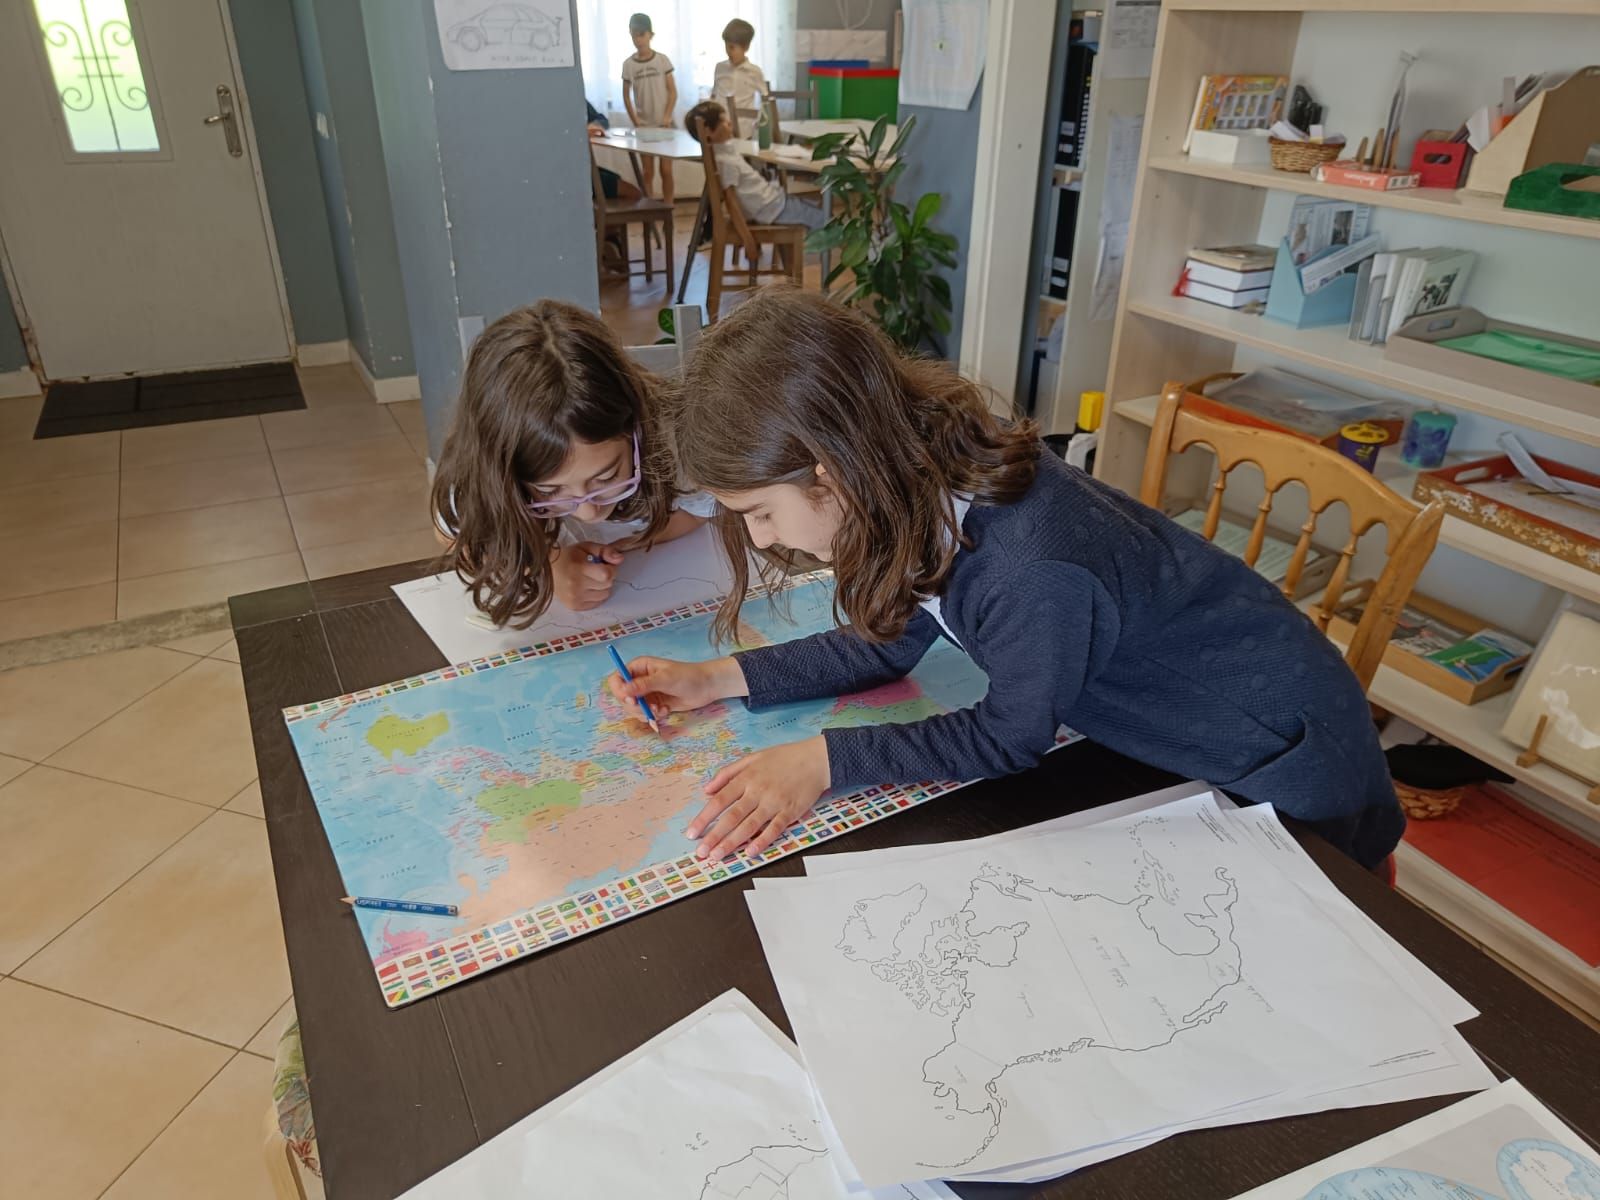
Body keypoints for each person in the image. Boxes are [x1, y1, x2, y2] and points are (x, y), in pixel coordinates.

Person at [608, 289, 1405, 870]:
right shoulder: (919, 484)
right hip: (1189, 738)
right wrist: (721, 676)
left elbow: (1007, 736)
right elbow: (891, 640)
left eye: (758, 511)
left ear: (832, 474)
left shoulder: (1028, 569)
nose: (757, 535)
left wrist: (824, 761)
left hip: (1290, 769)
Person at [432, 301, 714, 624]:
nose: (588, 511)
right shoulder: (483, 470)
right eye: (549, 491)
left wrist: (628, 543)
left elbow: (699, 510)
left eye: (607, 477)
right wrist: (549, 566)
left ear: (635, 430)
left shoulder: (670, 434)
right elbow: (456, 534)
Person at [685, 100, 827, 231]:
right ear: (708, 131)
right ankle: (830, 253)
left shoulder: (723, 154)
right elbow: (731, 202)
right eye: (724, 121)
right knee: (826, 219)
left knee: (818, 207)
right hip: (771, 209)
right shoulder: (725, 161)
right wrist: (748, 242)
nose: (730, 123)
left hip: (772, 204)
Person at [621, 13, 676, 203]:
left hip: (663, 125)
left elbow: (672, 91)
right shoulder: (628, 65)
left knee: (666, 170)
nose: (638, 39)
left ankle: (669, 206)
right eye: (634, 35)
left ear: (650, 35)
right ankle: (650, 209)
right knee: (647, 171)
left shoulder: (662, 61)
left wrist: (667, 116)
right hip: (644, 126)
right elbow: (626, 95)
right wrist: (636, 121)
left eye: (641, 34)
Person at [713, 18, 766, 137]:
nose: (728, 51)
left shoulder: (754, 71)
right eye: (726, 46)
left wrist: (761, 119)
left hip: (744, 129)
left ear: (746, 47)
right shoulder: (720, 67)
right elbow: (715, 94)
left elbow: (765, 99)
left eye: (732, 47)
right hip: (719, 128)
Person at [586, 100, 640, 202]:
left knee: (617, 178)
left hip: (582, 169)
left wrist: (592, 126)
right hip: (571, 175)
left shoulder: (577, 99)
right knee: (634, 193)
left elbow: (602, 120)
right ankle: (600, 216)